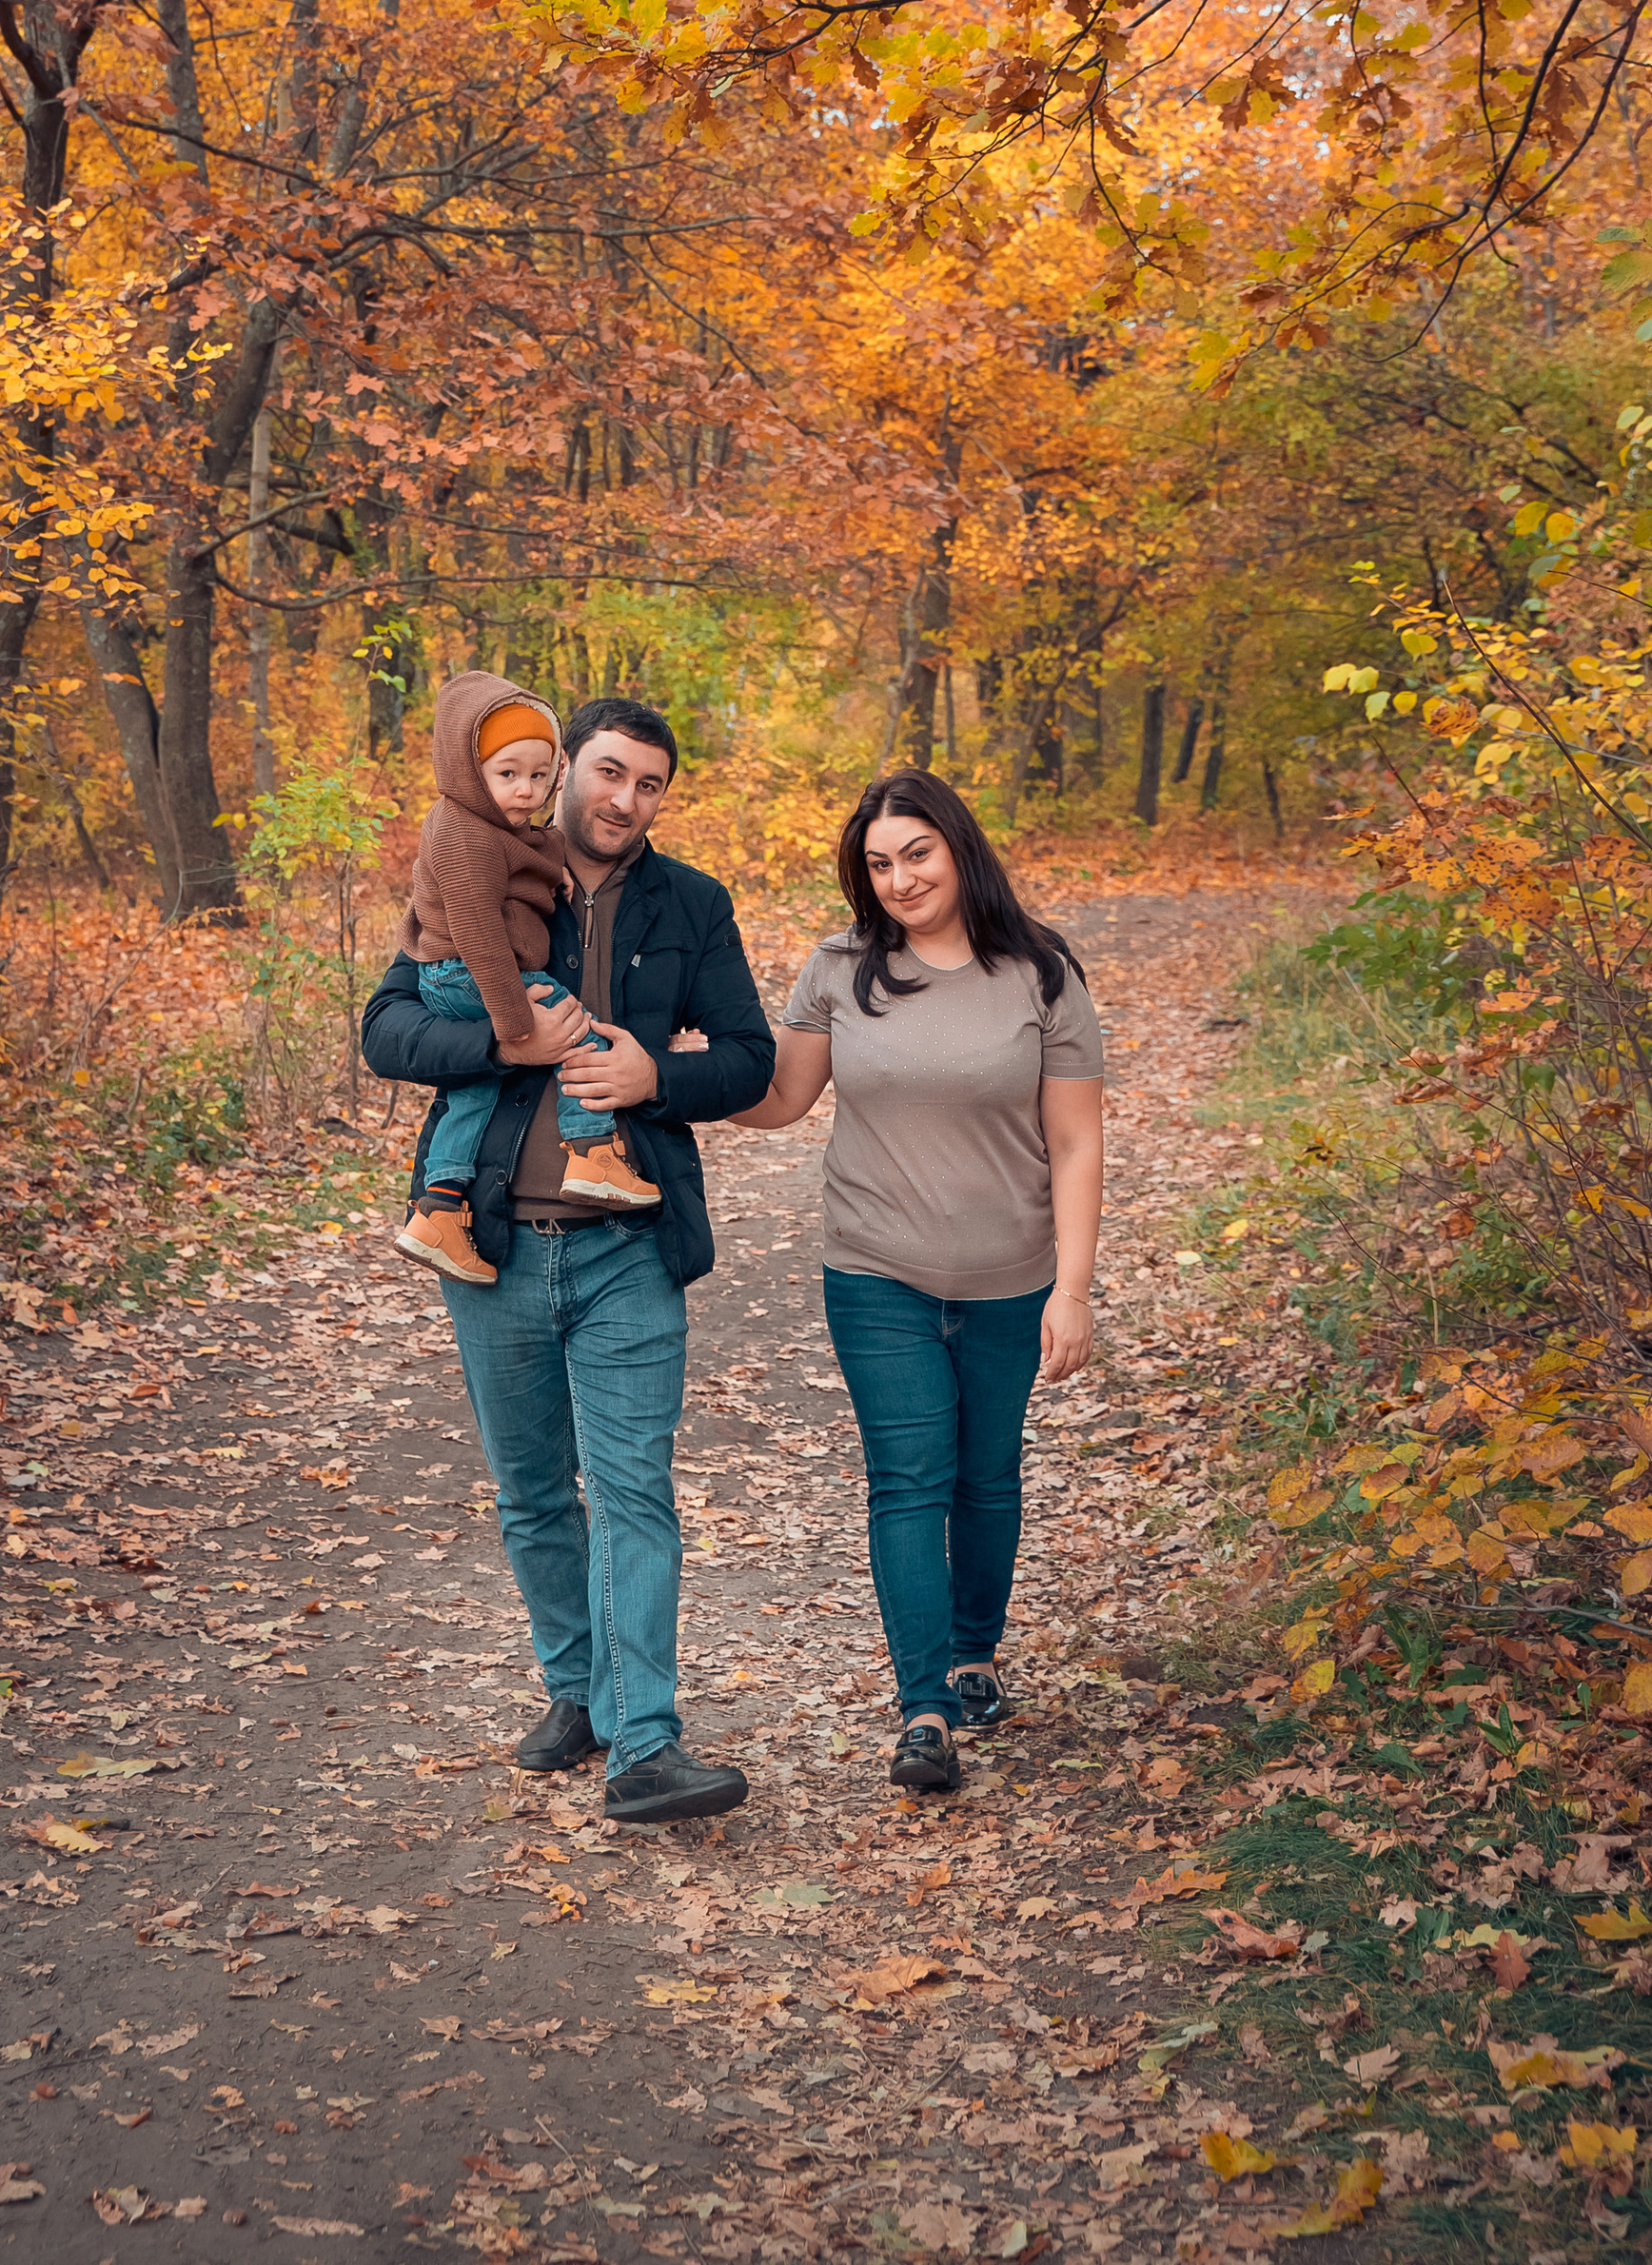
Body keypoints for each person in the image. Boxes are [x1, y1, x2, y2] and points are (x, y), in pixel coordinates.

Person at [361, 692, 775, 1825]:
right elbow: (385, 1031)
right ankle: (577, 1694)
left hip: (628, 1245)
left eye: (649, 785)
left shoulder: (693, 905)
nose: (623, 800)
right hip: (492, 1244)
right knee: (535, 1494)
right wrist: (504, 1040)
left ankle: (646, 1743)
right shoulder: (482, 859)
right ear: (564, 769)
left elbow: (745, 1057)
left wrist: (657, 1079)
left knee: (633, 1490)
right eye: (607, 773)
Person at [736, 768, 1103, 1799]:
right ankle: (925, 1710)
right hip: (874, 1270)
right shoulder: (841, 967)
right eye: (877, 864)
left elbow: (1075, 1143)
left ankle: (974, 1656)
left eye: (916, 854)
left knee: (984, 1473)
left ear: (957, 847)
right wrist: (666, 1077)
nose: (898, 879)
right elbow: (776, 1098)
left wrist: (1072, 1289)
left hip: (1011, 1275)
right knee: (907, 1478)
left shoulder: (1038, 973)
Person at [395, 673, 660, 1286]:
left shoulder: (496, 827)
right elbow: (481, 933)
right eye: (508, 774)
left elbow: (524, 853)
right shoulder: (460, 829)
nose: (525, 790)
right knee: (575, 1031)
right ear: (470, 769)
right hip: (470, 973)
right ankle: (592, 1152)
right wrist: (515, 1027)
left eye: (539, 776)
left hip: (459, 975)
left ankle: (438, 1208)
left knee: (472, 1094)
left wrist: (551, 873)